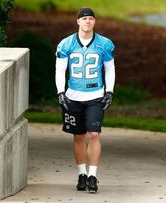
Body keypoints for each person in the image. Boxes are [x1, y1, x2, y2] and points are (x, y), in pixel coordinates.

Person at [55, 7, 115, 193]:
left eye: (90, 18)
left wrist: (110, 91)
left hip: (96, 95)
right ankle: (82, 173)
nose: (88, 21)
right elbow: (60, 69)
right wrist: (60, 92)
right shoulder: (66, 44)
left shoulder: (104, 44)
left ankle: (92, 175)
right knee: (79, 136)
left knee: (95, 134)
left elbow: (110, 69)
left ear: (94, 22)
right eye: (84, 18)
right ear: (78, 22)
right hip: (73, 96)